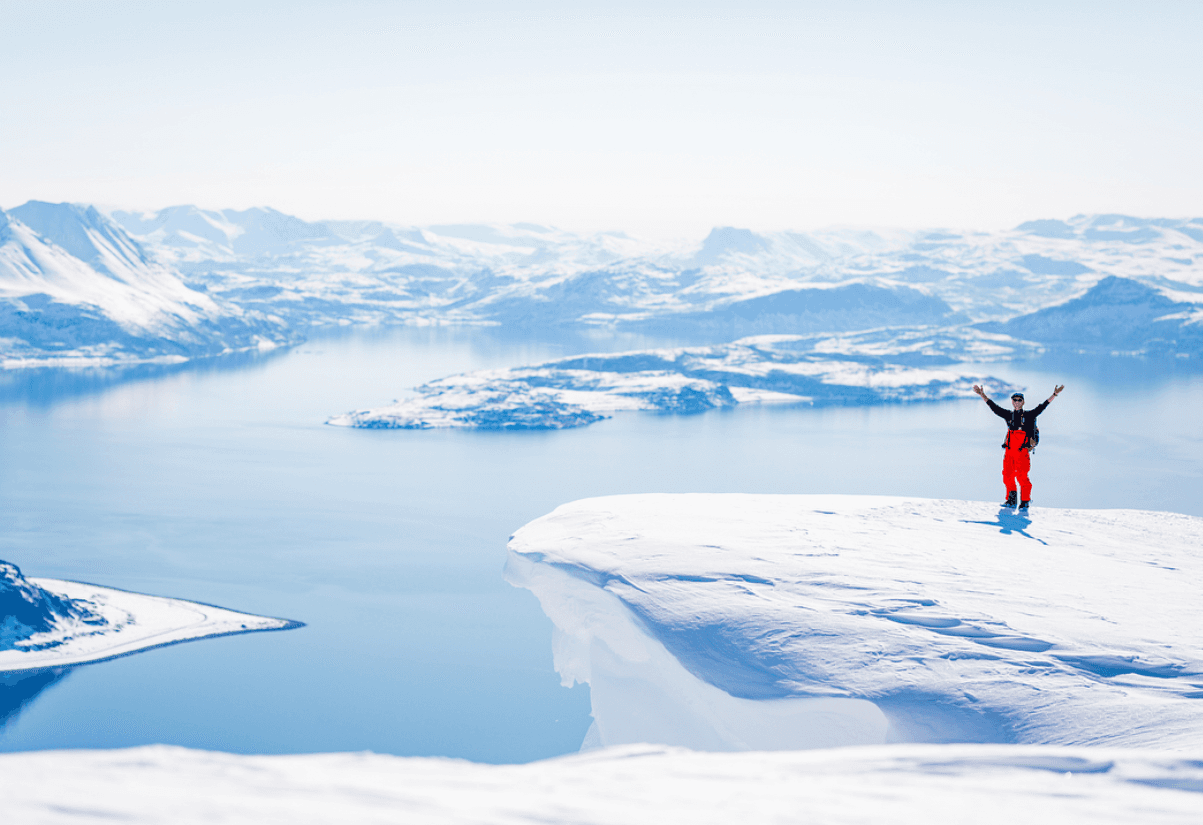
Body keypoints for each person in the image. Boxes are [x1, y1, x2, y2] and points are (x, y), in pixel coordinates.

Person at [972, 383, 1064, 511]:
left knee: (1022, 476)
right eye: (1014, 400)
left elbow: (1042, 407)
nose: (1016, 402)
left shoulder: (1029, 415)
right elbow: (994, 407)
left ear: (1023, 402)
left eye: (1019, 400)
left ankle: (1025, 501)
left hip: (1022, 452)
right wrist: (982, 395)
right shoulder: (1008, 415)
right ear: (1012, 402)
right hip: (1009, 452)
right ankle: (1011, 500)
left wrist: (1054, 395)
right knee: (1007, 475)